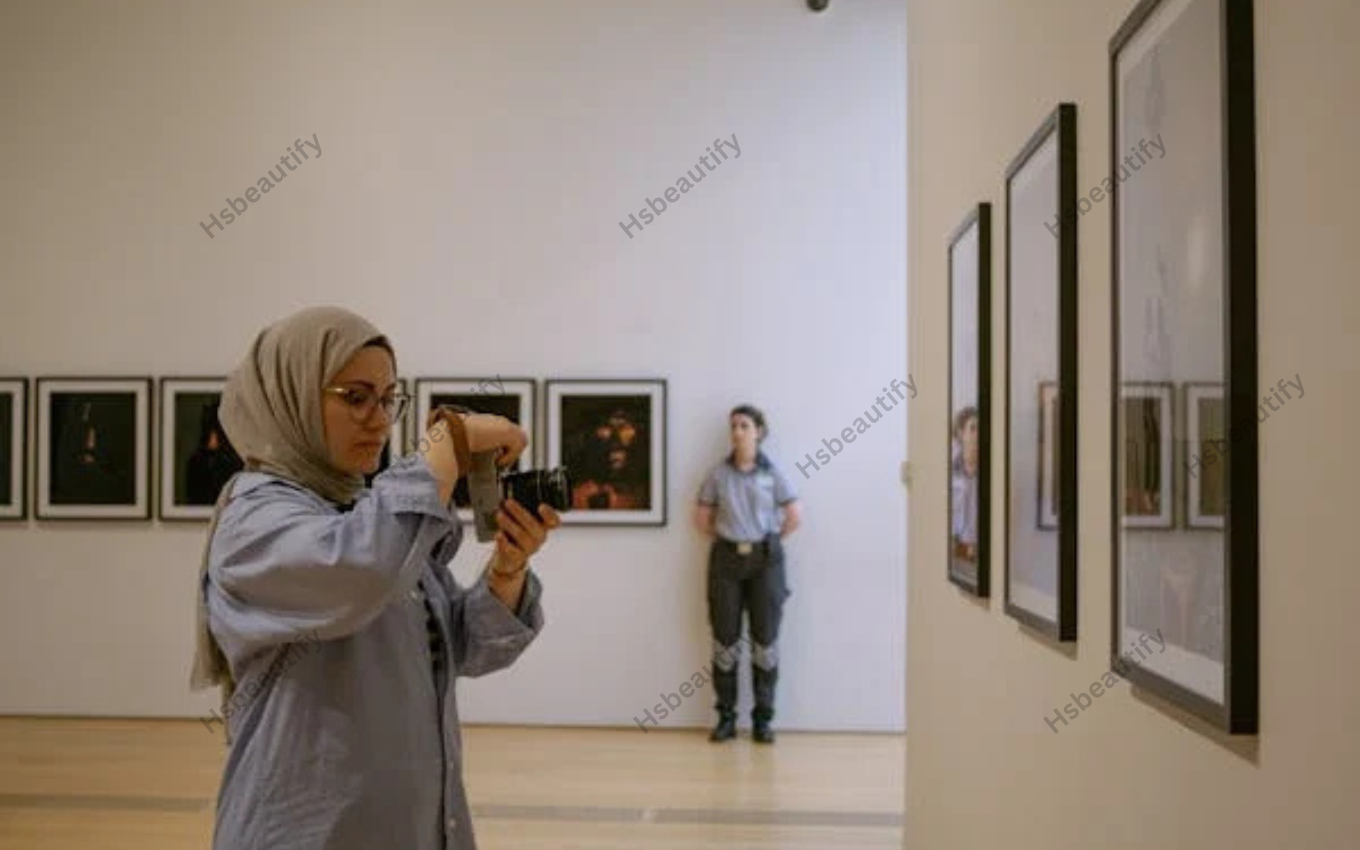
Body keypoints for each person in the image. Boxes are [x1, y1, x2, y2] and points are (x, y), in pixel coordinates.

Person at [189, 305, 560, 850]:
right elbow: (359, 574)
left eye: (389, 399)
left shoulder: (369, 511)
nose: (380, 419)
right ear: (290, 396)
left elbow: (464, 647)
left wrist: (507, 568)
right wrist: (447, 445)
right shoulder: (255, 520)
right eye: (355, 397)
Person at [694, 404, 801, 744]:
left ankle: (762, 721)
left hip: (766, 562)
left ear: (759, 431)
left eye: (744, 425)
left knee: (764, 642)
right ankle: (726, 718)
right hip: (726, 562)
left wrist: (766, 542)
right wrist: (731, 539)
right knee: (725, 642)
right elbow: (701, 517)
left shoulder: (773, 474)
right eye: (733, 426)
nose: (737, 432)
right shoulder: (717, 475)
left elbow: (794, 515)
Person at [184, 400, 243, 505]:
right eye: (209, 430)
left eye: (216, 430)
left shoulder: (236, 461)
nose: (213, 437)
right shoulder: (197, 460)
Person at [950, 406, 979, 565]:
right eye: (973, 428)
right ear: (961, 433)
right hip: (954, 549)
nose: (978, 435)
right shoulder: (948, 472)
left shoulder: (994, 472)